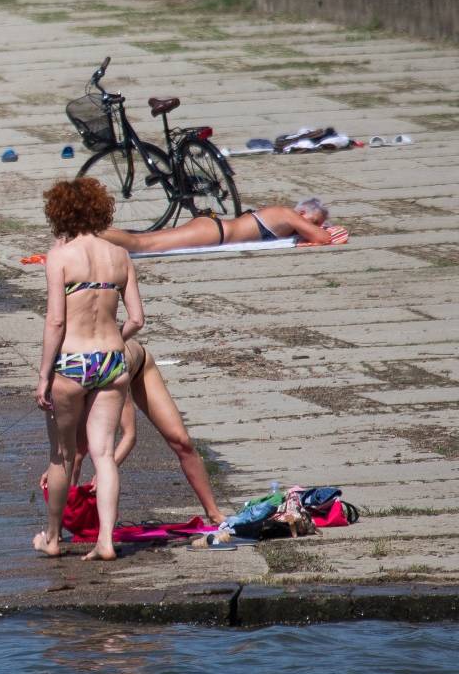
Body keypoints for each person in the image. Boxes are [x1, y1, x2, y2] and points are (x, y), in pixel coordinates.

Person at [34, 177, 144, 561]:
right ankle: (106, 541)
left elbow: (56, 323)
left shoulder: (59, 257)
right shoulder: (119, 256)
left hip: (73, 362)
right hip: (113, 360)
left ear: (59, 213)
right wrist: (114, 337)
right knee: (103, 454)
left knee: (62, 455)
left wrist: (45, 374)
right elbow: (137, 319)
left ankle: (51, 537)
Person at [69, 340, 226, 525]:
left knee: (181, 440)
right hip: (90, 370)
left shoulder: (112, 370)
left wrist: (105, 470)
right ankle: (62, 523)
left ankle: (214, 512)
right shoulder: (70, 375)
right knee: (75, 452)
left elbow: (129, 435)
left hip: (138, 368)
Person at [101, 200, 332, 253]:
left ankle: (91, 233)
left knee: (148, 239)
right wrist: (319, 229)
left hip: (214, 229)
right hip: (215, 232)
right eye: (313, 221)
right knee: (143, 244)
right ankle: (87, 230)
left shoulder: (283, 215)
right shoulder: (287, 214)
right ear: (303, 212)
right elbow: (322, 238)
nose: (309, 226)